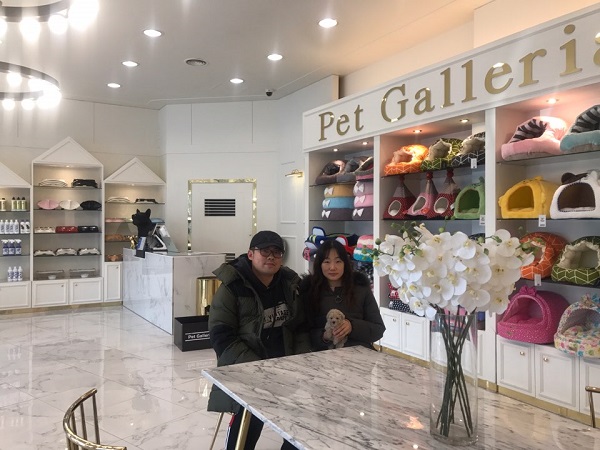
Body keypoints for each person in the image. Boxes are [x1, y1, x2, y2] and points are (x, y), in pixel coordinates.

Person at [207, 230, 310, 450]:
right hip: (249, 370)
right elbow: (221, 336)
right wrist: (257, 368)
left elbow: (300, 325)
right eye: (264, 251)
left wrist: (299, 362)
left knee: (297, 428)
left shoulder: (289, 285)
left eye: (277, 252)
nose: (271, 257)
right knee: (246, 427)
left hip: (286, 370)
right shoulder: (233, 287)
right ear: (251, 254)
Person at [300, 239, 385, 351]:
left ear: (345, 263)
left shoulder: (360, 288)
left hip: (359, 353)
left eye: (338, 261)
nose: (332, 267)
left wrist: (352, 326)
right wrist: (324, 336)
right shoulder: (309, 291)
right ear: (319, 264)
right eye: (327, 262)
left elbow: (378, 329)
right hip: (324, 356)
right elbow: (302, 333)